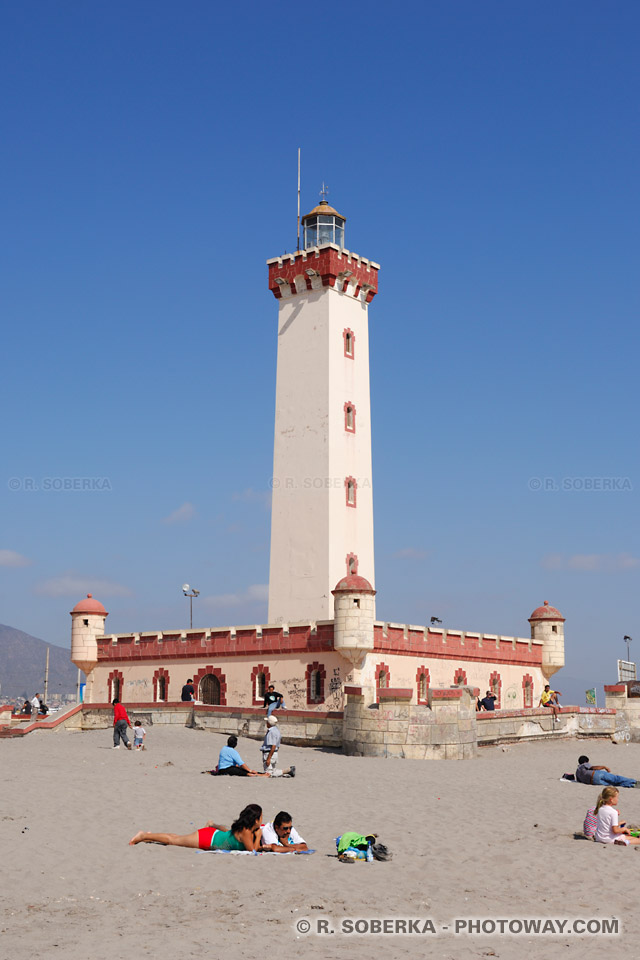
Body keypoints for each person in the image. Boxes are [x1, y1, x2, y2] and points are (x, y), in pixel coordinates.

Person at [129, 803, 278, 852]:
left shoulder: (245, 828)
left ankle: (149, 836)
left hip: (214, 834)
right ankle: (144, 836)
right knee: (173, 840)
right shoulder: (247, 831)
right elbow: (252, 851)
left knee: (175, 837)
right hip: (207, 839)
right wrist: (258, 835)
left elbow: (229, 831)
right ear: (256, 819)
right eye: (261, 817)